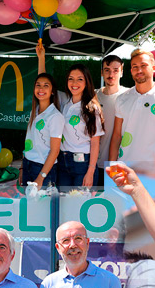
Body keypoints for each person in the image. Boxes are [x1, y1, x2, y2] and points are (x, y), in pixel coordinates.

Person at [36, 47, 103, 188]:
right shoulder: (64, 103)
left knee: (78, 206)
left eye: (80, 79)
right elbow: (44, 85)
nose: (74, 83)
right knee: (64, 205)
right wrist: (41, 58)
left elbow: (95, 142)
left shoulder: (92, 109)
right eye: (71, 79)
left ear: (86, 83)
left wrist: (90, 171)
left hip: (83, 165)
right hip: (63, 162)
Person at [109, 50, 155, 175]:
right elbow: (116, 136)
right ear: (131, 71)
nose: (139, 70)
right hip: (124, 167)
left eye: (143, 66)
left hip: (153, 170)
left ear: (153, 68)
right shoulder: (122, 99)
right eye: (135, 67)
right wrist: (112, 168)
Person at [22, 70, 63, 188]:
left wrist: (41, 177)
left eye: (46, 86)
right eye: (38, 85)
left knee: (42, 205)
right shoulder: (34, 112)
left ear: (52, 91)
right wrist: (22, 167)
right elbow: (29, 141)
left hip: (42, 168)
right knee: (28, 205)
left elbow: (55, 151)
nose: (41, 89)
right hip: (28, 164)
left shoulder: (55, 116)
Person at [96, 55, 128, 184]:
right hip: (94, 164)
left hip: (119, 165)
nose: (111, 74)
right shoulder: (93, 96)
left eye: (115, 70)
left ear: (122, 72)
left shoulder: (129, 96)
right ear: (102, 72)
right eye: (107, 70)